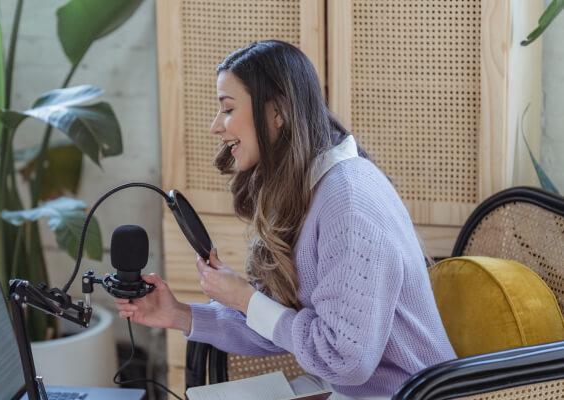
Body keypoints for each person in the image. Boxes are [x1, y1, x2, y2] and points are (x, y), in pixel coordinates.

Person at [114, 40, 456, 399]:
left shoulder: (348, 203)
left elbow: (345, 360)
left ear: (276, 112)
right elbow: (280, 322)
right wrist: (180, 314)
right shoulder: (313, 189)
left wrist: (247, 299)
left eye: (227, 109)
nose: (215, 126)